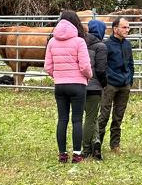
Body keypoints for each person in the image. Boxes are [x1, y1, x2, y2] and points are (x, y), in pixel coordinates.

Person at [44, 16, 93, 163]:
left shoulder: (52, 42)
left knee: (62, 119)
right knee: (77, 120)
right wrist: (88, 76)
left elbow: (48, 66)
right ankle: (77, 154)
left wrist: (58, 76)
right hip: (78, 85)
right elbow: (85, 66)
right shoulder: (79, 41)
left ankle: (62, 154)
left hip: (60, 85)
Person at [94, 16, 134, 158]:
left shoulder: (127, 45)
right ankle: (97, 143)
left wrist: (129, 79)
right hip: (110, 85)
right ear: (115, 29)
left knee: (118, 116)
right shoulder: (107, 45)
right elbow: (103, 66)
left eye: (128, 27)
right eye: (124, 27)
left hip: (124, 85)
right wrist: (108, 80)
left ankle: (115, 144)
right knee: (104, 115)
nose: (127, 30)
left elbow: (130, 64)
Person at [82, 19, 109, 159]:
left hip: (79, 84)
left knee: (89, 116)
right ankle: (87, 149)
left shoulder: (80, 43)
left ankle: (96, 140)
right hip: (94, 86)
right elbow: (100, 70)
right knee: (91, 118)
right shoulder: (101, 46)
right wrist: (104, 83)